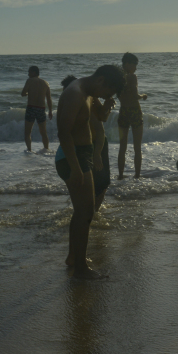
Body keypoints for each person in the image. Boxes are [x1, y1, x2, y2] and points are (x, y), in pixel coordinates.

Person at [55, 65, 126, 279]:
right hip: (72, 158)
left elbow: (99, 119)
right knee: (86, 212)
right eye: (108, 92)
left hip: (81, 155)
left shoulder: (87, 92)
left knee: (82, 212)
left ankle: (73, 258)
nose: (106, 96)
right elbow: (64, 133)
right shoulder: (75, 94)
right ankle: (80, 268)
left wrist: (106, 106)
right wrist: (76, 168)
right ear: (101, 81)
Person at [117, 52, 148, 179]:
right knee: (137, 147)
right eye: (134, 65)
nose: (135, 68)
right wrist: (143, 96)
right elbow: (135, 96)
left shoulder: (117, 77)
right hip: (134, 111)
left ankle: (120, 175)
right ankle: (137, 175)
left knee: (122, 147)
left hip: (123, 111)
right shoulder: (132, 77)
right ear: (128, 64)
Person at [21, 65, 54, 153]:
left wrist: (29, 93)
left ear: (34, 72)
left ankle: (29, 150)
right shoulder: (46, 83)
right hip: (41, 109)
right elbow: (49, 99)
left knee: (27, 132)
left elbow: (23, 93)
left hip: (31, 108)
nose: (28, 74)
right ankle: (46, 149)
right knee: (43, 132)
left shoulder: (29, 81)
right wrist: (50, 111)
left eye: (29, 72)